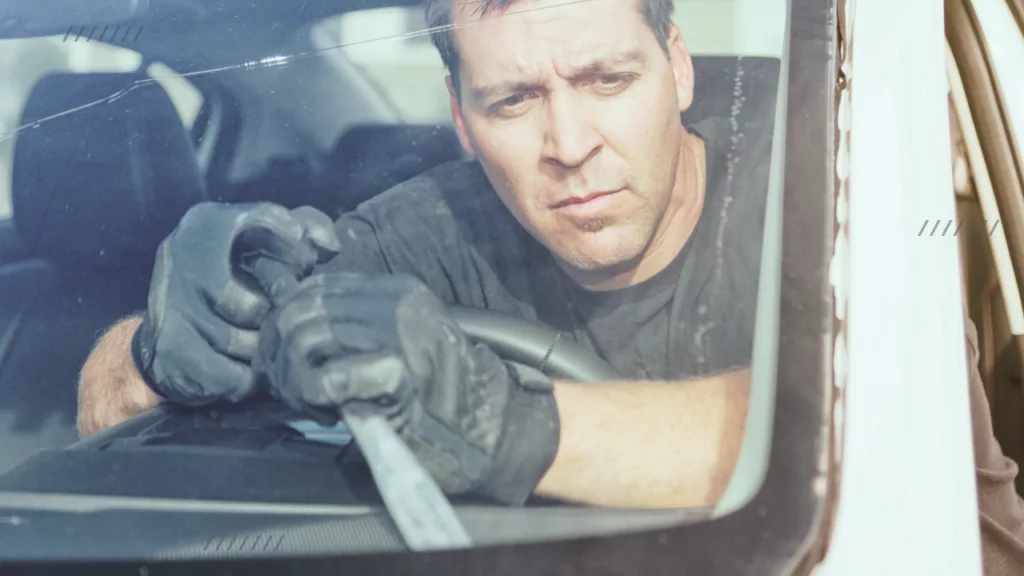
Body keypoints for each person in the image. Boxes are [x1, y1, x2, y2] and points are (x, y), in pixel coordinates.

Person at [77, 0, 761, 509]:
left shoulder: (812, 199)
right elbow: (106, 414)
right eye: (514, 101)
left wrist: (508, 425)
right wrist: (152, 353)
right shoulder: (435, 225)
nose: (571, 144)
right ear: (461, 119)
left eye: (607, 80)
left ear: (677, 66)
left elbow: (826, 435)